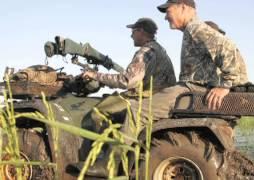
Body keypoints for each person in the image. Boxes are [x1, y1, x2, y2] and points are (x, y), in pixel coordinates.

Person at [75, 0, 248, 177]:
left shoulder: (196, 28)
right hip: (189, 87)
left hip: (191, 88)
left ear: (183, 7)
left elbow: (228, 49)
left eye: (168, 10)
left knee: (136, 111)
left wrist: (226, 85)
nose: (165, 16)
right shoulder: (189, 32)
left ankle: (109, 165)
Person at [72, 18, 176, 177]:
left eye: (133, 32)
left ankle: (104, 160)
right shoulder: (160, 50)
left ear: (141, 31)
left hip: (145, 100)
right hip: (158, 98)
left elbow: (126, 81)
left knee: (97, 113)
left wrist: (95, 75)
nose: (131, 36)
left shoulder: (145, 52)